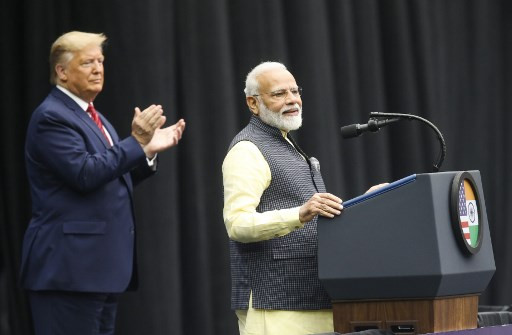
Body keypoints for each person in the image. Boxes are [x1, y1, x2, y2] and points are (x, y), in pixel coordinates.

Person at [20, 31, 186, 335]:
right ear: (62, 71)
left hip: (99, 271)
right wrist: (135, 142)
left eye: (101, 61)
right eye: (87, 63)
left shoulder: (94, 117)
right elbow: (85, 174)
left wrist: (146, 151)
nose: (98, 69)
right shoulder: (51, 117)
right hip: (69, 271)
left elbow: (111, 176)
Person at [222, 61, 344, 335]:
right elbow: (237, 224)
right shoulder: (247, 150)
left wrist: (371, 201)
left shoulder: (285, 143)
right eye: (279, 94)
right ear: (253, 104)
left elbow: (317, 215)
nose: (292, 100)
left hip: (314, 297)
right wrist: (298, 214)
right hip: (275, 306)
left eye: (295, 91)